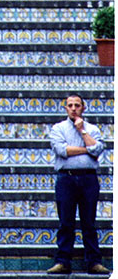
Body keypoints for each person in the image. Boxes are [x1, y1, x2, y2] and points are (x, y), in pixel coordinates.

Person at [47, 95, 108, 274]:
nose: (73, 108)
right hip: (66, 179)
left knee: (89, 222)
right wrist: (87, 149)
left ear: (83, 108)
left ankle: (94, 262)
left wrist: (82, 131)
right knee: (66, 222)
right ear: (65, 108)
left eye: (77, 105)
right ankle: (63, 261)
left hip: (88, 179)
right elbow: (61, 150)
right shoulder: (58, 128)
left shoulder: (92, 129)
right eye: (70, 105)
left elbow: (97, 150)